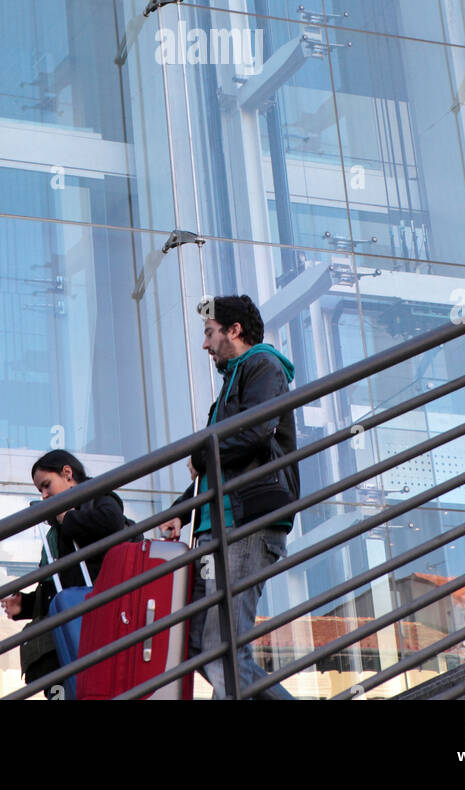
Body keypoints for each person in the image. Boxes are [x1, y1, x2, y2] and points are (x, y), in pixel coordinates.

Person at [161, 294, 298, 699]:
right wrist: (180, 514)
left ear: (234, 331)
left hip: (245, 526)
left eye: (209, 333)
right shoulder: (232, 385)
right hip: (219, 528)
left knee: (222, 651)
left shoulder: (263, 365)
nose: (205, 345)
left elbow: (254, 432)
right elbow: (217, 466)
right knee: (200, 648)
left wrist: (203, 454)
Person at [2, 448, 130, 697]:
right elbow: (57, 587)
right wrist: (25, 606)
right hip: (69, 634)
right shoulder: (55, 527)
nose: (44, 495)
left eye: (46, 485)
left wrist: (68, 520)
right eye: (40, 490)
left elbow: (112, 521)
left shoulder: (96, 495)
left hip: (94, 626)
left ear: (68, 473)